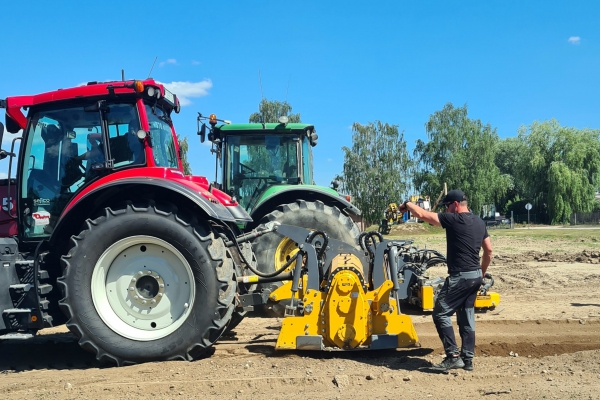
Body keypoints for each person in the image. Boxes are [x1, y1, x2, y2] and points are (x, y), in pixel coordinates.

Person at [398, 189, 493, 372]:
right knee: (466, 317)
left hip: (460, 277)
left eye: (447, 206)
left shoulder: (454, 220)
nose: (446, 210)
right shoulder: (480, 222)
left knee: (440, 313)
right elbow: (488, 251)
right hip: (474, 276)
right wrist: (481, 273)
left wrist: (407, 204)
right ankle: (468, 359)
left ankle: (453, 356)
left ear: (455, 205)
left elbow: (423, 214)